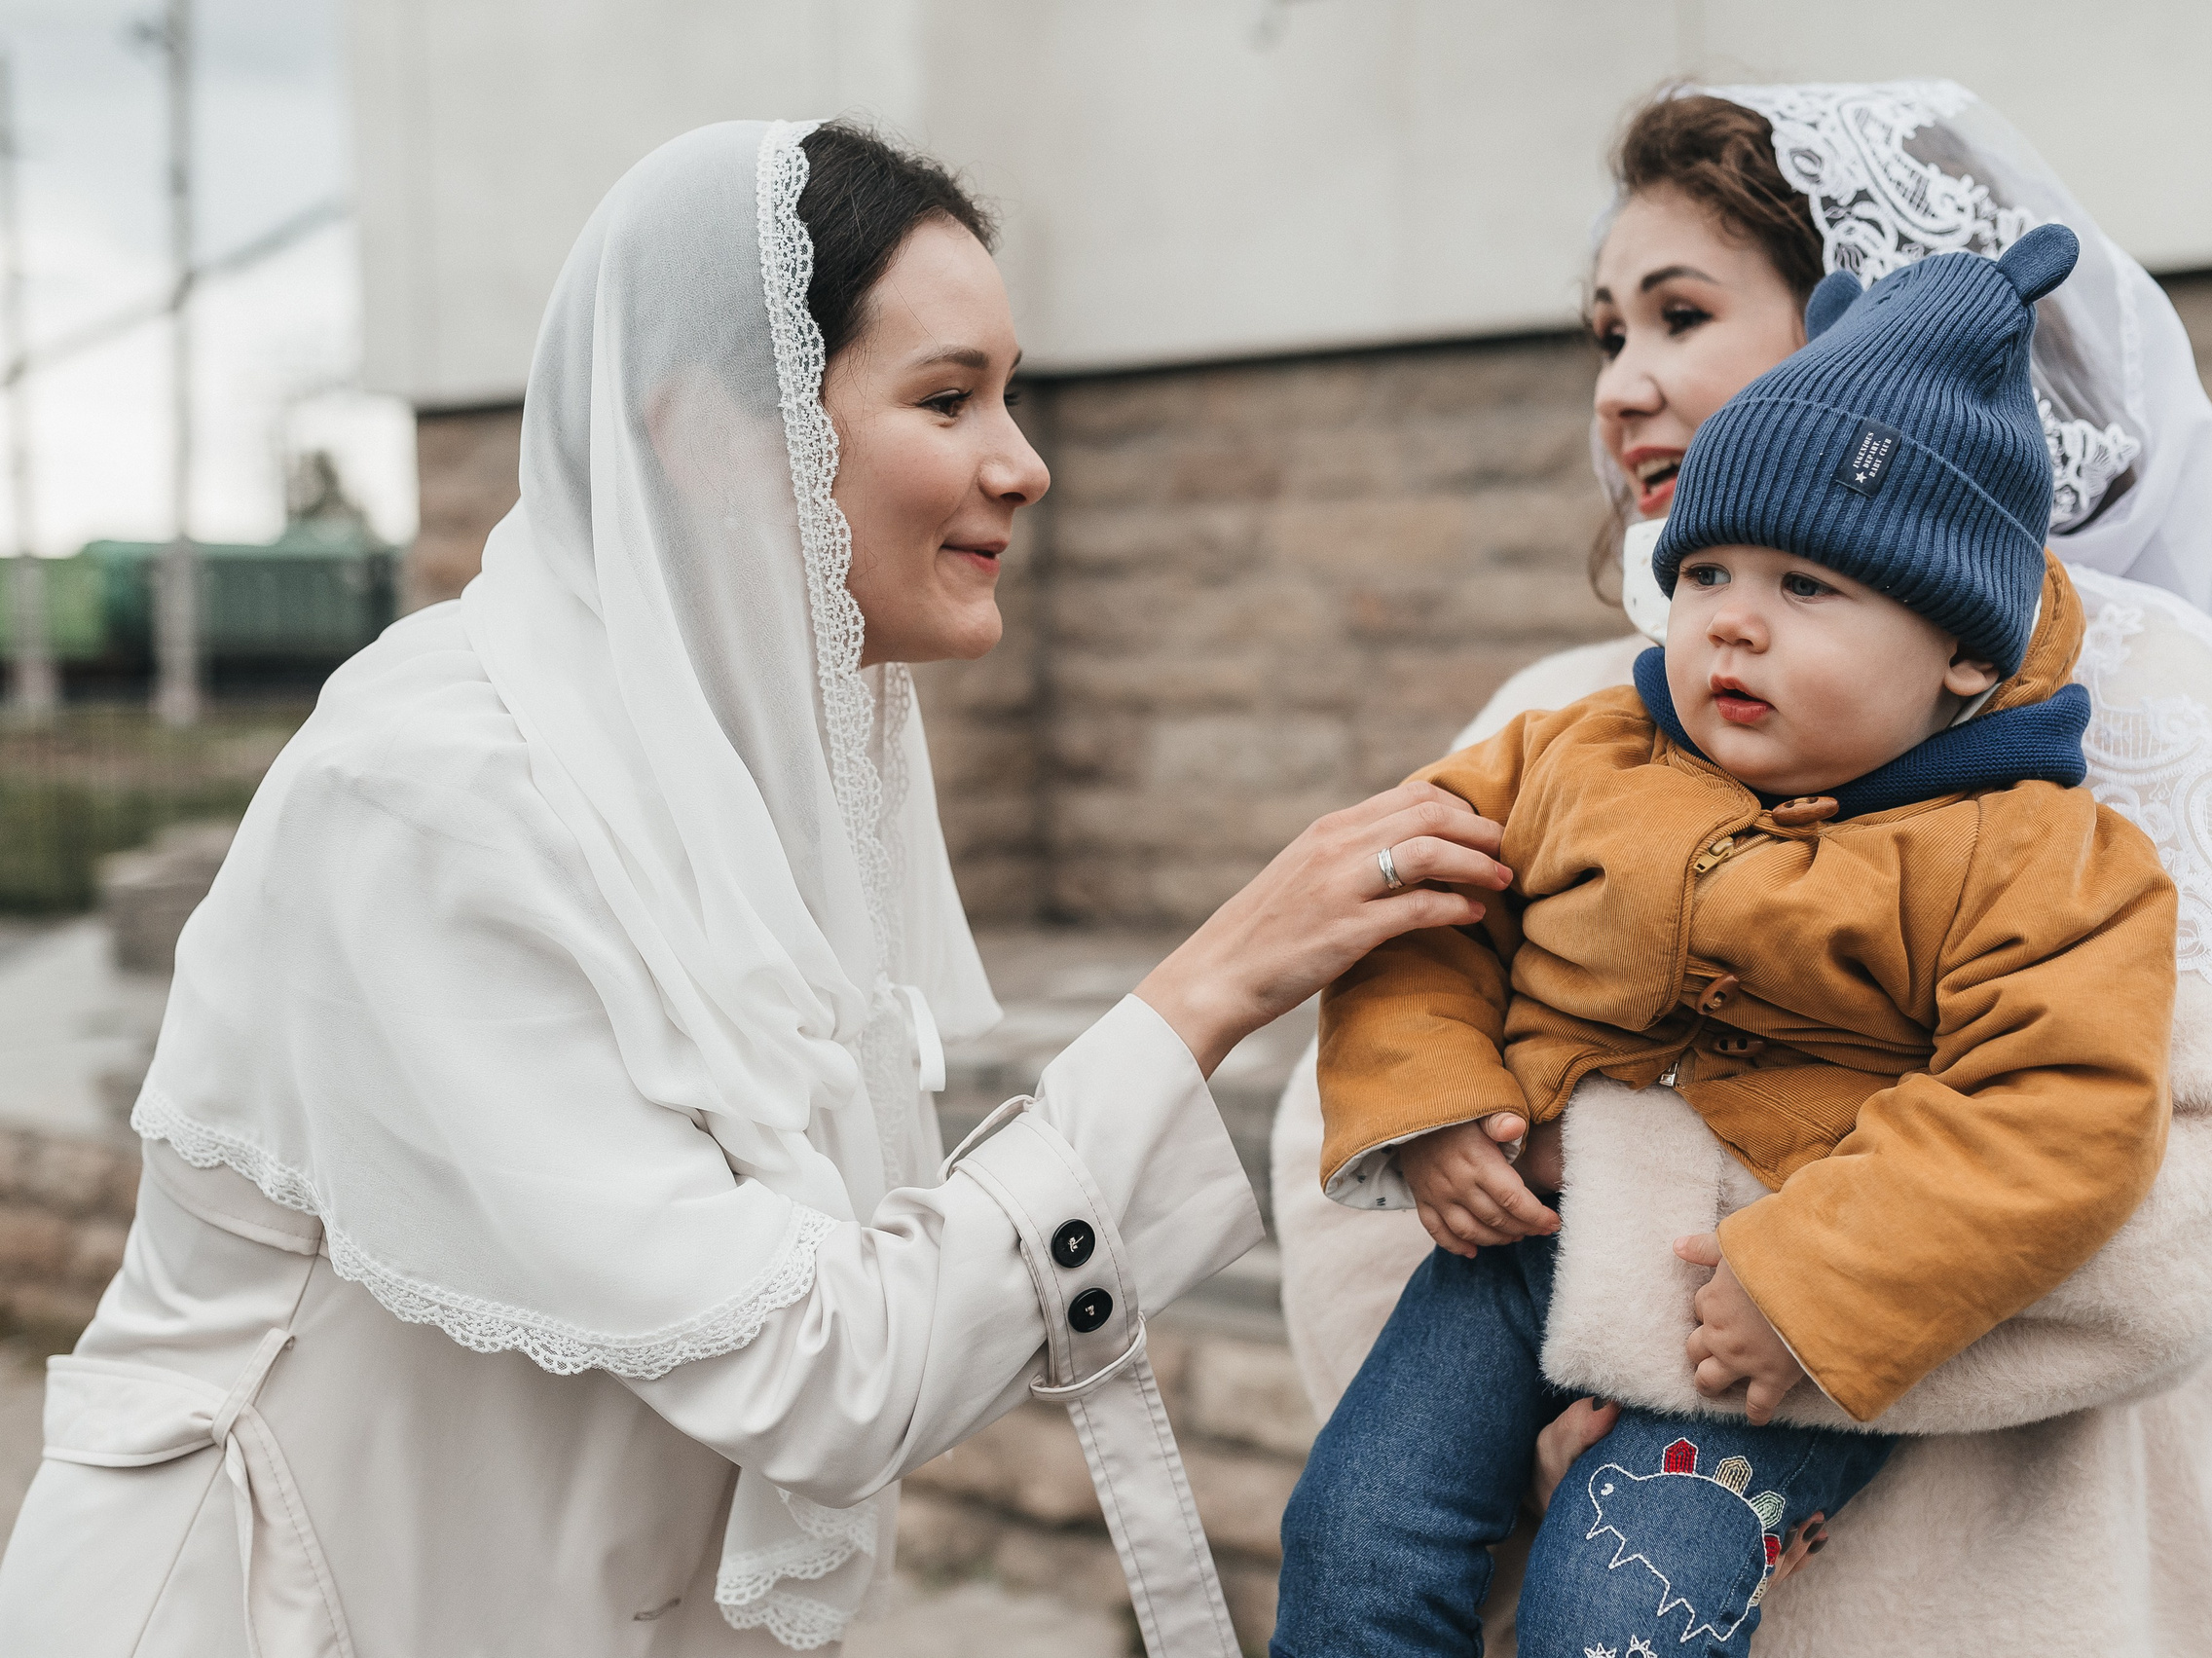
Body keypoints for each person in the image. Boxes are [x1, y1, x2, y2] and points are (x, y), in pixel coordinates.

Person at [0, 121, 1509, 1657]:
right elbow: (819, 1370)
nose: (1025, 462)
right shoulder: (431, 793)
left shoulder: (730, 768)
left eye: (1012, 392)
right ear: (715, 433)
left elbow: (883, 1299)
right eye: (947, 397)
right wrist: (1210, 988)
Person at [1269, 82, 2212, 1658]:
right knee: (1378, 1537)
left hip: (1968, 1519)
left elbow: (2150, 1156)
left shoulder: (2090, 768)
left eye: (1681, 313)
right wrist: (1437, 1120)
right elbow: (1410, 926)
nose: (1625, 385)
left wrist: (1787, 1257)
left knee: (1627, 1588)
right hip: (1561, 1365)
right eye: (1603, 332)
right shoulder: (1577, 719)